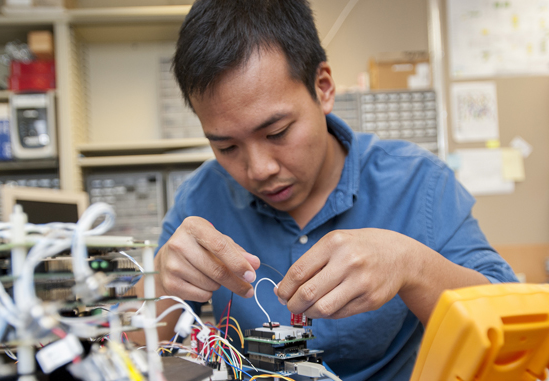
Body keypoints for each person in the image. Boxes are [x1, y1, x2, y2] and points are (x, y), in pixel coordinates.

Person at [142, 0, 519, 379]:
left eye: (277, 133)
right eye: (226, 147)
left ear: (323, 88)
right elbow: (139, 353)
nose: (259, 169)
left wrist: (412, 265)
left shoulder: (419, 184)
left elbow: (512, 329)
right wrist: (159, 282)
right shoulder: (200, 199)